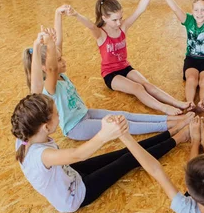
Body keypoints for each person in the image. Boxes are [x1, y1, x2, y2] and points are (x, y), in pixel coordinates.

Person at [24, 10, 193, 140]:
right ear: (46, 68)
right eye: (59, 60)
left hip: (85, 113)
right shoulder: (50, 86)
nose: (64, 61)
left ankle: (169, 119)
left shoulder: (58, 74)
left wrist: (57, 15)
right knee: (122, 125)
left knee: (124, 115)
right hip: (76, 127)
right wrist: (45, 45)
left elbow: (58, 45)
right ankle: (173, 124)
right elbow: (53, 65)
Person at [11, 93, 190, 213]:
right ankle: (179, 138)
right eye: (57, 114)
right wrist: (104, 134)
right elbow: (77, 155)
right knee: (128, 159)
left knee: (125, 152)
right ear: (46, 127)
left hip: (70, 174)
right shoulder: (42, 155)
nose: (59, 115)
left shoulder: (26, 133)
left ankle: (170, 132)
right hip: (77, 196)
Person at [68, 0, 193, 115]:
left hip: (125, 67)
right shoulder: (101, 34)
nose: (118, 22)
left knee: (148, 85)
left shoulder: (123, 27)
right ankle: (165, 108)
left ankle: (177, 103)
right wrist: (75, 14)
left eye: (120, 18)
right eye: (114, 20)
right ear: (104, 18)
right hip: (111, 74)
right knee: (137, 88)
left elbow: (140, 9)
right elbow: (91, 25)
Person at [153, 0, 204, 113]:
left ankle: (203, 102)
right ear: (192, 11)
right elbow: (175, 8)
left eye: (203, 10)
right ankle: (189, 103)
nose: (199, 13)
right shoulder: (189, 21)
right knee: (191, 79)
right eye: (196, 10)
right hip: (191, 59)